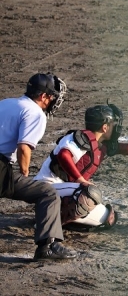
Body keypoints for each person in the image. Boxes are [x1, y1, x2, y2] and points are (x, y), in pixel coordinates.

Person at [0, 72, 78, 260]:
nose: (52, 101)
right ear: (43, 96)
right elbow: (24, 147)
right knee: (47, 193)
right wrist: (24, 171)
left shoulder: (6, 103)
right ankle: (47, 246)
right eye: (51, 97)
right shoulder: (35, 113)